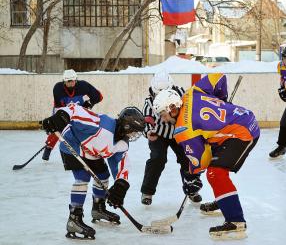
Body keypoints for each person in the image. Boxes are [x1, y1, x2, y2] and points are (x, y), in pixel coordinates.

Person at [152, 73, 260, 239]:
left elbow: (201, 161)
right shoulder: (191, 92)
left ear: (172, 109)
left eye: (163, 115)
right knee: (217, 166)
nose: (164, 120)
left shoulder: (183, 130)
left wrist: (191, 177)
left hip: (242, 133)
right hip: (243, 118)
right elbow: (218, 77)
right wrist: (221, 101)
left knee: (215, 173)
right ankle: (225, 202)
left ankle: (235, 221)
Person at [40, 104, 145, 240]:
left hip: (92, 153)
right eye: (134, 131)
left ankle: (98, 208)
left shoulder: (122, 143)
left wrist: (120, 185)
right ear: (127, 126)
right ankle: (74, 219)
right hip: (72, 145)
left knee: (103, 176)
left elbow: (121, 164)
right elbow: (74, 109)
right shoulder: (102, 124)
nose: (134, 135)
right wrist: (60, 117)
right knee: (82, 178)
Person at [140, 71, 203, 205]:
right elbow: (147, 120)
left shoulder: (181, 95)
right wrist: (149, 132)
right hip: (159, 134)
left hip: (179, 133)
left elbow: (191, 111)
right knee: (158, 159)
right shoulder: (150, 102)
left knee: (187, 158)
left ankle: (191, 189)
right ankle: (147, 191)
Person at [42, 69, 103, 161]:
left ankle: (84, 151)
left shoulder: (83, 86)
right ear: (64, 81)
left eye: (72, 81)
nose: (71, 83)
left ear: (76, 80)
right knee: (56, 128)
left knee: (81, 129)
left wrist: (88, 104)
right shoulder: (58, 88)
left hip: (79, 111)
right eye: (68, 81)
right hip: (62, 110)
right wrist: (63, 119)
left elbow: (99, 96)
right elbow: (58, 106)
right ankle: (49, 147)